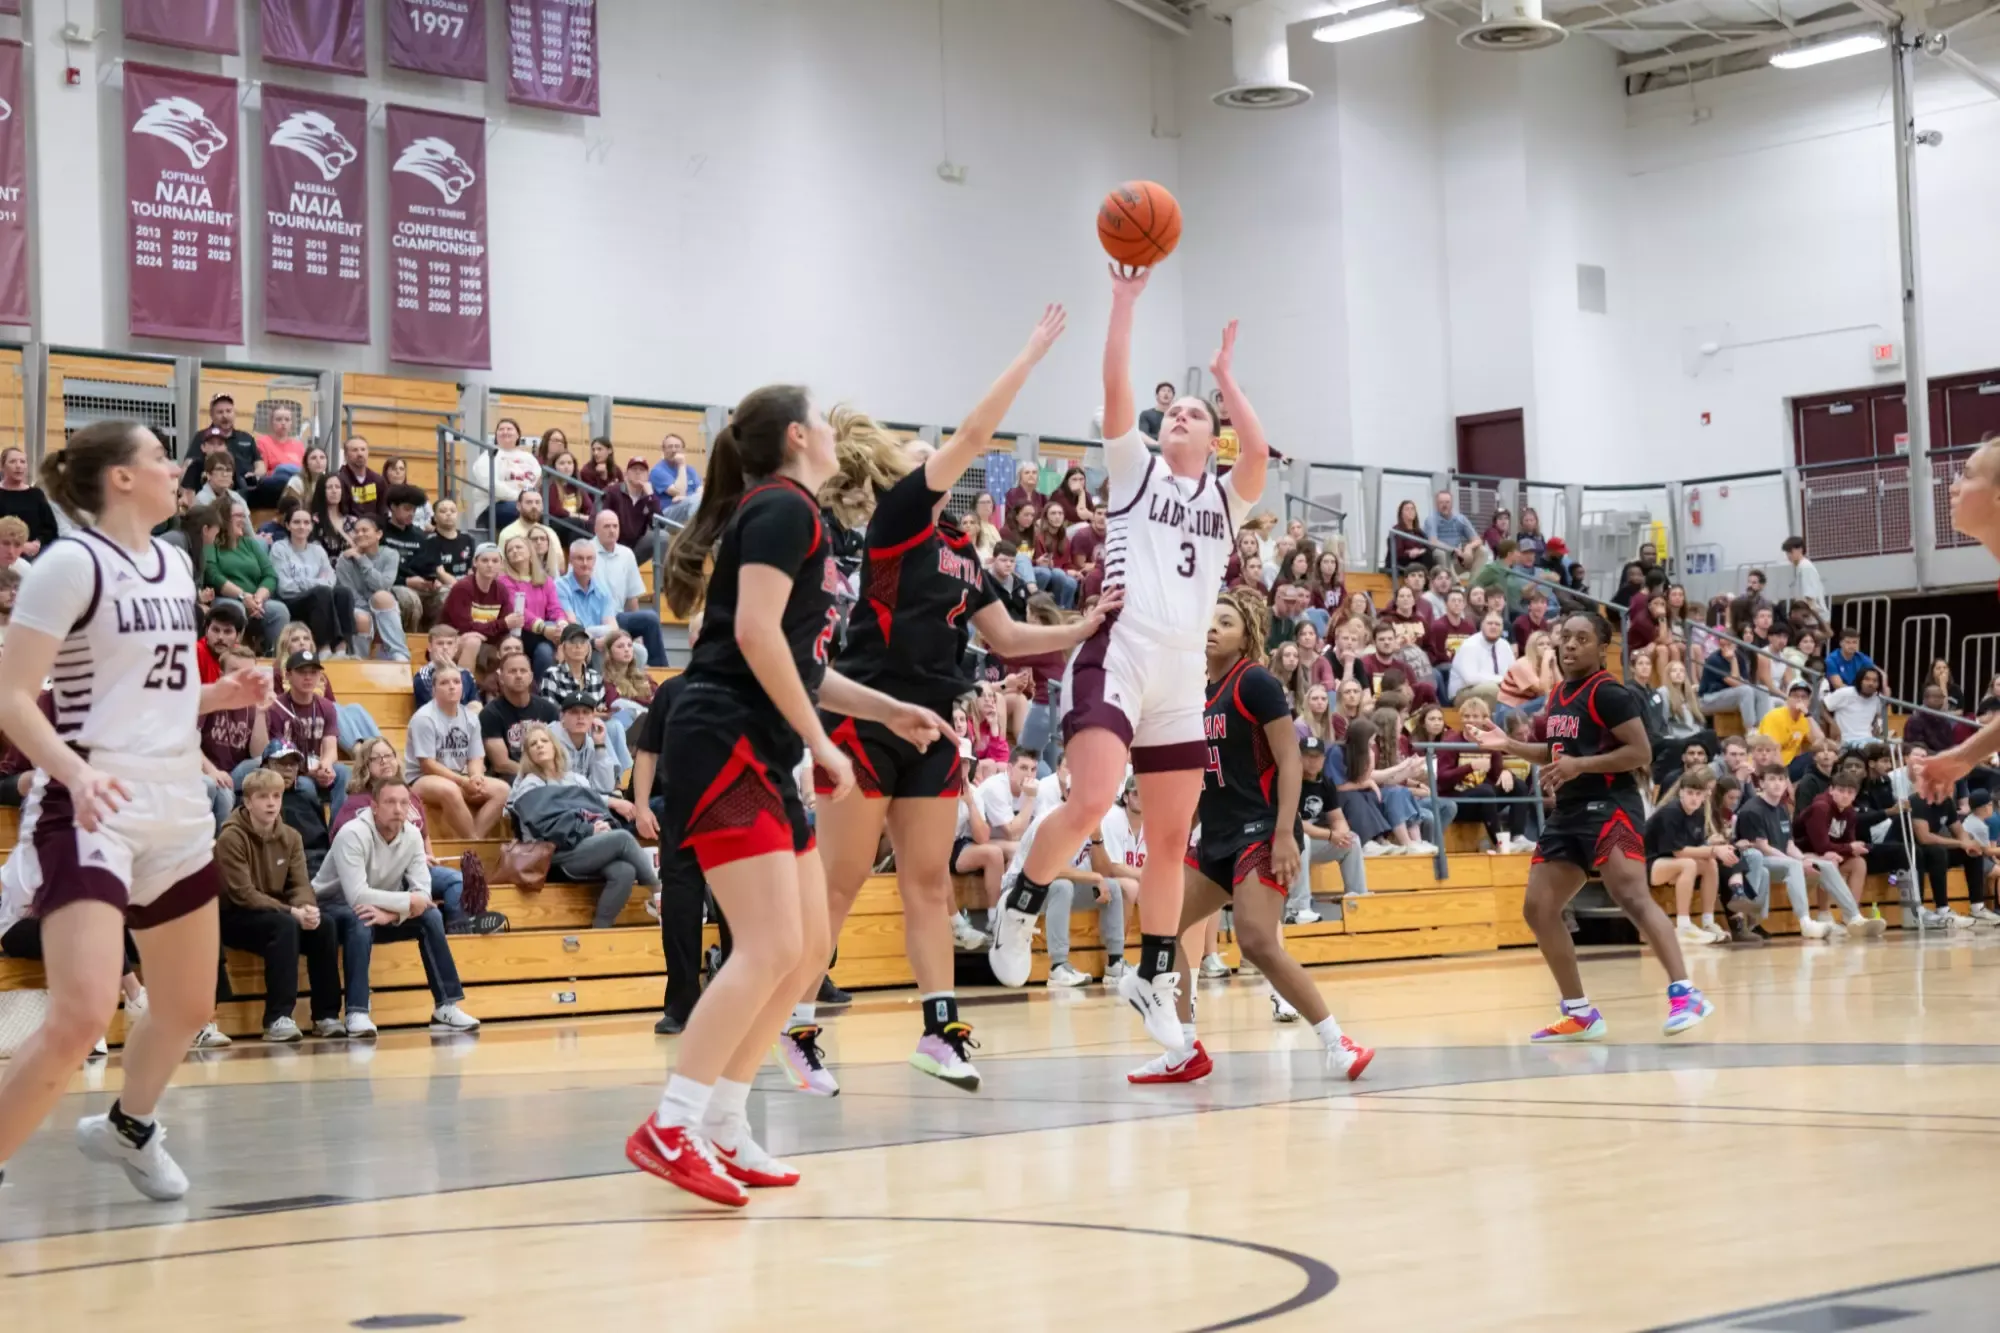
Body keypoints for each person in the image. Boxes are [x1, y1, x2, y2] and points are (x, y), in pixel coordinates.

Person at [630, 383, 953, 1207]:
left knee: (809, 949)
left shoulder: (792, 512)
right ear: (800, 435)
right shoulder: (781, 507)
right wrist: (819, 744)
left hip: (761, 741)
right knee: (770, 945)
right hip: (726, 735)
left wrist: (886, 709)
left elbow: (802, 661)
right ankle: (672, 1122)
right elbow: (751, 635)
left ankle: (727, 1120)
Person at [792, 309, 1109, 1092]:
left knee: (928, 885)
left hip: (933, 726)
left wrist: (1085, 622)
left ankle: (940, 1032)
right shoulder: (901, 518)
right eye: (922, 458)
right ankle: (796, 1028)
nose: (938, 462)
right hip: (865, 712)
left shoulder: (962, 549)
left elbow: (1006, 638)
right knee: (840, 880)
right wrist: (1030, 355)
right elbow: (971, 437)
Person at [986, 271, 1271, 1058]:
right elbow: (1116, 382)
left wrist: (1224, 381)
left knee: (1173, 839)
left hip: (1181, 673)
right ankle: (1021, 898)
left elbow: (1256, 450)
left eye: (1193, 414)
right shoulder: (1133, 469)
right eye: (1171, 409)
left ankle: (1151, 975)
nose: (1177, 414)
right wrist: (1124, 305)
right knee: (1093, 800)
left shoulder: (1224, 499)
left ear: (1207, 438)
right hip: (1120, 647)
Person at [0, 419, 273, 1201]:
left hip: (174, 798)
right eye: (159, 456)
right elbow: (13, 695)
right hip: (91, 796)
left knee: (189, 1005)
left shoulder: (176, 562)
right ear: (121, 477)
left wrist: (223, 692)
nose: (174, 465)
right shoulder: (69, 563)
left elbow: (160, 687)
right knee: (82, 1013)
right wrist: (72, 775)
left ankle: (129, 1127)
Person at [1128, 591, 1375, 1084]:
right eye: (1210, 620)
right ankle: (1184, 1049)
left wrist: (1286, 833)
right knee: (1162, 923)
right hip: (1217, 835)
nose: (1214, 628)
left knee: (1257, 940)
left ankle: (1337, 1043)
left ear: (1248, 636)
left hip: (1263, 831)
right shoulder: (1199, 693)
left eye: (1227, 621)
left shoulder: (1255, 682)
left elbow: (1288, 760)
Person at [1466, 613, 1711, 1040]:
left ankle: (1686, 993)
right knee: (1538, 908)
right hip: (1569, 812)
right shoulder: (1560, 693)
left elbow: (1640, 753)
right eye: (1565, 638)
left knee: (1630, 893)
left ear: (1603, 649)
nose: (1570, 645)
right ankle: (1579, 1012)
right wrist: (1510, 745)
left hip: (1612, 806)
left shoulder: (1609, 692)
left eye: (1582, 639)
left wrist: (1580, 765)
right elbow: (1557, 751)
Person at [313, 778, 479, 1037]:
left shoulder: (412, 835)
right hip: (331, 907)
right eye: (390, 802)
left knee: (431, 915)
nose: (399, 809)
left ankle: (446, 1006)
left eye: (404, 802)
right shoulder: (352, 833)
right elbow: (357, 894)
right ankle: (357, 1011)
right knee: (362, 916)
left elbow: (422, 892)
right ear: (374, 807)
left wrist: (392, 914)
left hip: (382, 907)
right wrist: (405, 903)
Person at [216, 768, 344, 1041]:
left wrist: (307, 908)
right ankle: (277, 1017)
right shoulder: (231, 837)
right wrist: (292, 912)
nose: (272, 803)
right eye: (263, 797)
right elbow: (244, 894)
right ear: (248, 802)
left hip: (276, 914)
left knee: (325, 925)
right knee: (285, 924)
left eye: (276, 796)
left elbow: (299, 885)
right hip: (235, 917)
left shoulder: (291, 836)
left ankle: (326, 1015)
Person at [508, 723, 657, 928]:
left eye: (544, 741)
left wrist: (602, 824)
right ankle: (659, 892)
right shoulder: (529, 785)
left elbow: (597, 809)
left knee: (624, 871)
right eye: (533, 744)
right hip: (554, 854)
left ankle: (600, 931)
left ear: (555, 746)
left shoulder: (575, 780)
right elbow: (546, 828)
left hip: (584, 846)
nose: (540, 746)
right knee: (622, 838)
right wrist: (589, 829)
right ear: (528, 754)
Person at [406, 666, 510, 838]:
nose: (452, 686)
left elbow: (476, 756)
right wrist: (462, 781)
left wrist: (476, 776)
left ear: (463, 687)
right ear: (434, 690)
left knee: (503, 790)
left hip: (460, 776)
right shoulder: (424, 718)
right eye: (444, 683)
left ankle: (475, 839)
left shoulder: (471, 717)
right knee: (450, 790)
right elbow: (428, 765)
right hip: (421, 779)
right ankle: (472, 841)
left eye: (456, 682)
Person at [1795, 771, 1891, 937]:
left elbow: (1848, 842)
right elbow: (1821, 845)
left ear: (1855, 795)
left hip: (1826, 853)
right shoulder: (1821, 807)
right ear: (1831, 790)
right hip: (1801, 853)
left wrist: (1852, 849)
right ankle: (1824, 915)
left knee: (1858, 862)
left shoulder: (1850, 812)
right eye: (1841, 790)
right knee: (1829, 861)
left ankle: (1851, 915)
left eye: (1850, 792)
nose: (1845, 796)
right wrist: (1848, 849)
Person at [1645, 767, 1728, 947]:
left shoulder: (1697, 814)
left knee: (1710, 864)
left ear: (1704, 796)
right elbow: (1679, 852)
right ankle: (1683, 925)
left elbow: (1694, 848)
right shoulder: (1672, 811)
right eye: (1689, 793)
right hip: (1645, 866)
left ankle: (1708, 922)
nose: (1694, 798)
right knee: (1689, 864)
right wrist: (1713, 850)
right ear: (1681, 792)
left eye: (1698, 794)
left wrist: (1711, 847)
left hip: (1669, 864)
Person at [270, 505, 359, 656]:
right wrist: (316, 582)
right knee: (321, 591)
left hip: (318, 600)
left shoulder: (317, 550)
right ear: (287, 525)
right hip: (292, 602)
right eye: (296, 522)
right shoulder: (279, 549)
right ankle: (323, 649)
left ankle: (342, 650)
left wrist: (305, 582)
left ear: (311, 526)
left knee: (343, 592)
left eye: (306, 522)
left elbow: (331, 580)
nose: (301, 526)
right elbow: (285, 587)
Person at [587, 510, 670, 666]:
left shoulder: (627, 554)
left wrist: (637, 633)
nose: (612, 530)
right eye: (606, 526)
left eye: (615, 526)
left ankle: (660, 671)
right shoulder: (586, 552)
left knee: (649, 619)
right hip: (592, 619)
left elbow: (632, 598)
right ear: (596, 529)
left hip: (617, 618)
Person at [205, 503, 290, 653]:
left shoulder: (251, 544)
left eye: (244, 516)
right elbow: (213, 575)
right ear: (224, 519)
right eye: (238, 516)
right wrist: (242, 596)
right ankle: (233, 658)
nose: (243, 520)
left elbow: (270, 574)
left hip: (255, 600)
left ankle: (275, 660)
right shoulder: (213, 543)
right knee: (236, 610)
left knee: (279, 610)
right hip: (226, 598)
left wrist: (258, 598)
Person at [480, 652, 562, 780]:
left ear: (531, 677)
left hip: (548, 772)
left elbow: (558, 750)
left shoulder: (548, 709)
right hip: (511, 777)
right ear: (501, 678)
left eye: (523, 671)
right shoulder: (490, 713)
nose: (518, 676)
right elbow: (501, 764)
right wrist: (538, 775)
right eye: (512, 671)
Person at [442, 543, 516, 668]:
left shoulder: (501, 590)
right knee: (473, 641)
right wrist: (502, 624)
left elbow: (505, 628)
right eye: (484, 560)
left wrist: (503, 626)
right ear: (475, 563)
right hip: (452, 641)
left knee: (513, 645)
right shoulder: (463, 588)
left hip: (486, 641)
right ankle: (465, 685)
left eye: (495, 561)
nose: (490, 565)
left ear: (501, 565)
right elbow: (465, 628)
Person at [1449, 610, 1515, 707]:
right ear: (1481, 626)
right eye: (1489, 623)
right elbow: (1470, 679)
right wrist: (1501, 680)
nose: (1493, 627)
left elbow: (1513, 673)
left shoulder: (1505, 645)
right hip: (1463, 693)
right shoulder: (1470, 645)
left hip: (1498, 688)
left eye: (1497, 624)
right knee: (1493, 690)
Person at [0, 446, 58, 553]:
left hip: (34, 553)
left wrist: (37, 543)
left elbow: (50, 528)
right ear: (2, 467)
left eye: (22, 462)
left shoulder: (36, 494)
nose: (18, 466)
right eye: (12, 462)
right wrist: (18, 546)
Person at [1757, 681, 1822, 766]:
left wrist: (1808, 715)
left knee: (1820, 755)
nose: (1799, 700)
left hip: (1791, 764)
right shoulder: (1775, 716)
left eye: (1804, 697)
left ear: (1809, 702)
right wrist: (1783, 775)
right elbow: (1772, 750)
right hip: (1772, 766)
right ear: (1788, 699)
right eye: (1795, 696)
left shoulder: (1805, 718)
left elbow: (1820, 742)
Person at [335, 435, 386, 523]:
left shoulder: (378, 480)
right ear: (346, 455)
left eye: (363, 449)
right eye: (355, 450)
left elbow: (382, 511)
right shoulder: (338, 480)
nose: (360, 454)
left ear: (368, 453)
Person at [650, 433, 701, 520]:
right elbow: (679, 491)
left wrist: (684, 498)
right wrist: (681, 465)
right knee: (694, 501)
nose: (674, 450)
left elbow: (701, 491)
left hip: (689, 507)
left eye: (677, 446)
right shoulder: (657, 471)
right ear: (663, 450)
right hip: (667, 514)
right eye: (670, 447)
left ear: (683, 450)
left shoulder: (690, 470)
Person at [1781, 535, 1827, 623]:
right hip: (1807, 616)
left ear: (1800, 549)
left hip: (1811, 618)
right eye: (1787, 553)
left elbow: (1810, 596)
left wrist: (1807, 617)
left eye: (1791, 552)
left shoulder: (1805, 567)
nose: (1788, 555)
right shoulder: (1801, 567)